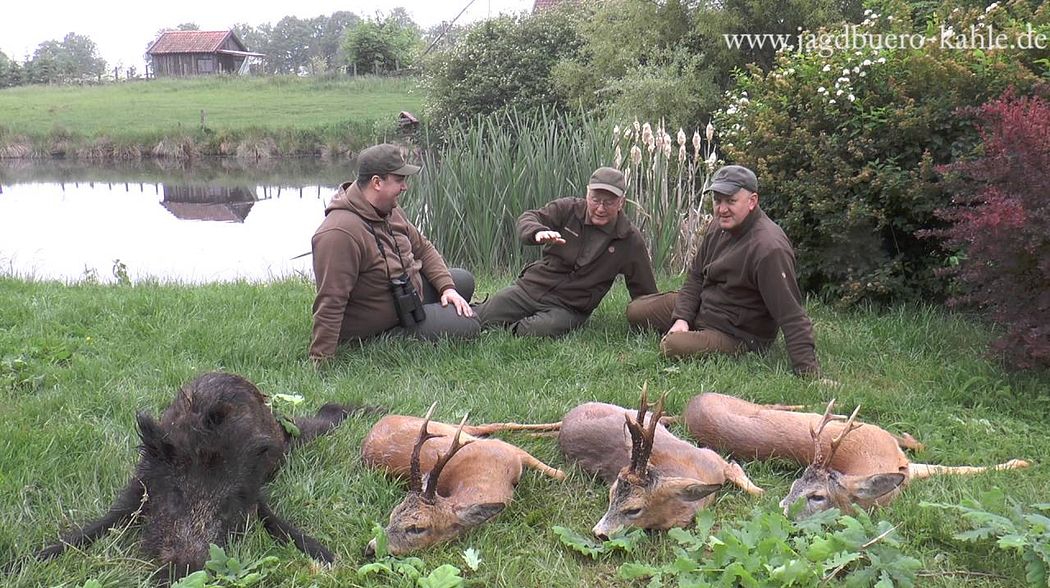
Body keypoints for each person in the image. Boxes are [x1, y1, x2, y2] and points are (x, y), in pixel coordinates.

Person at [626, 165, 820, 377]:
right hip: (705, 309)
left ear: (752, 201)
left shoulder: (768, 248)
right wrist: (682, 318)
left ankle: (696, 338)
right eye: (718, 201)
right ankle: (689, 327)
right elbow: (696, 277)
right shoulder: (718, 226)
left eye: (731, 201)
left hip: (737, 333)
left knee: (671, 346)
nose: (722, 209)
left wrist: (807, 372)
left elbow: (791, 315)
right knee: (635, 310)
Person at [309, 143, 479, 361]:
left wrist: (447, 288)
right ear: (377, 182)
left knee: (462, 280)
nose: (405, 187)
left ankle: (440, 309)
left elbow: (424, 248)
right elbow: (331, 300)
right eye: (399, 180)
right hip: (378, 326)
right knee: (469, 324)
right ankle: (392, 338)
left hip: (407, 298)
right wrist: (321, 358)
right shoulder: (339, 233)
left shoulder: (389, 209)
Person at [475, 166, 658, 337]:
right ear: (587, 194)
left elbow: (645, 292)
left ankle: (508, 330)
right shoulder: (568, 208)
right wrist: (537, 232)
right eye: (595, 200)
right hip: (531, 288)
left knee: (542, 329)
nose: (601, 208)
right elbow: (529, 217)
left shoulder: (630, 239)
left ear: (621, 203)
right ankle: (457, 305)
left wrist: (658, 321)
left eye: (608, 203)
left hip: (570, 307)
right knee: (482, 317)